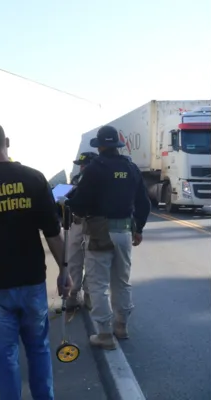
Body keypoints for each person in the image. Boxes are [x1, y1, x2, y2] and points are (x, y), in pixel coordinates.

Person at [0, 121, 73, 400]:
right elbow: (53, 233)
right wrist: (64, 270)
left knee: (5, 354)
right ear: (7, 142)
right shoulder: (33, 178)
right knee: (39, 349)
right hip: (32, 281)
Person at [65, 125, 151, 350]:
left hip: (99, 232)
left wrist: (69, 204)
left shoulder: (94, 169)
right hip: (124, 231)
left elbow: (81, 202)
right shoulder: (131, 168)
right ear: (118, 145)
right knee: (121, 281)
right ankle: (121, 326)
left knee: (98, 284)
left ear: (101, 146)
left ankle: (104, 334)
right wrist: (138, 229)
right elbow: (144, 203)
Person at [64, 151, 99, 311]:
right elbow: (60, 196)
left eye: (84, 165)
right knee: (73, 260)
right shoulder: (77, 179)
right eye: (80, 165)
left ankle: (89, 294)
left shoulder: (99, 179)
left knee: (92, 262)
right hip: (76, 223)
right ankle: (73, 294)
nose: (81, 168)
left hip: (92, 224)